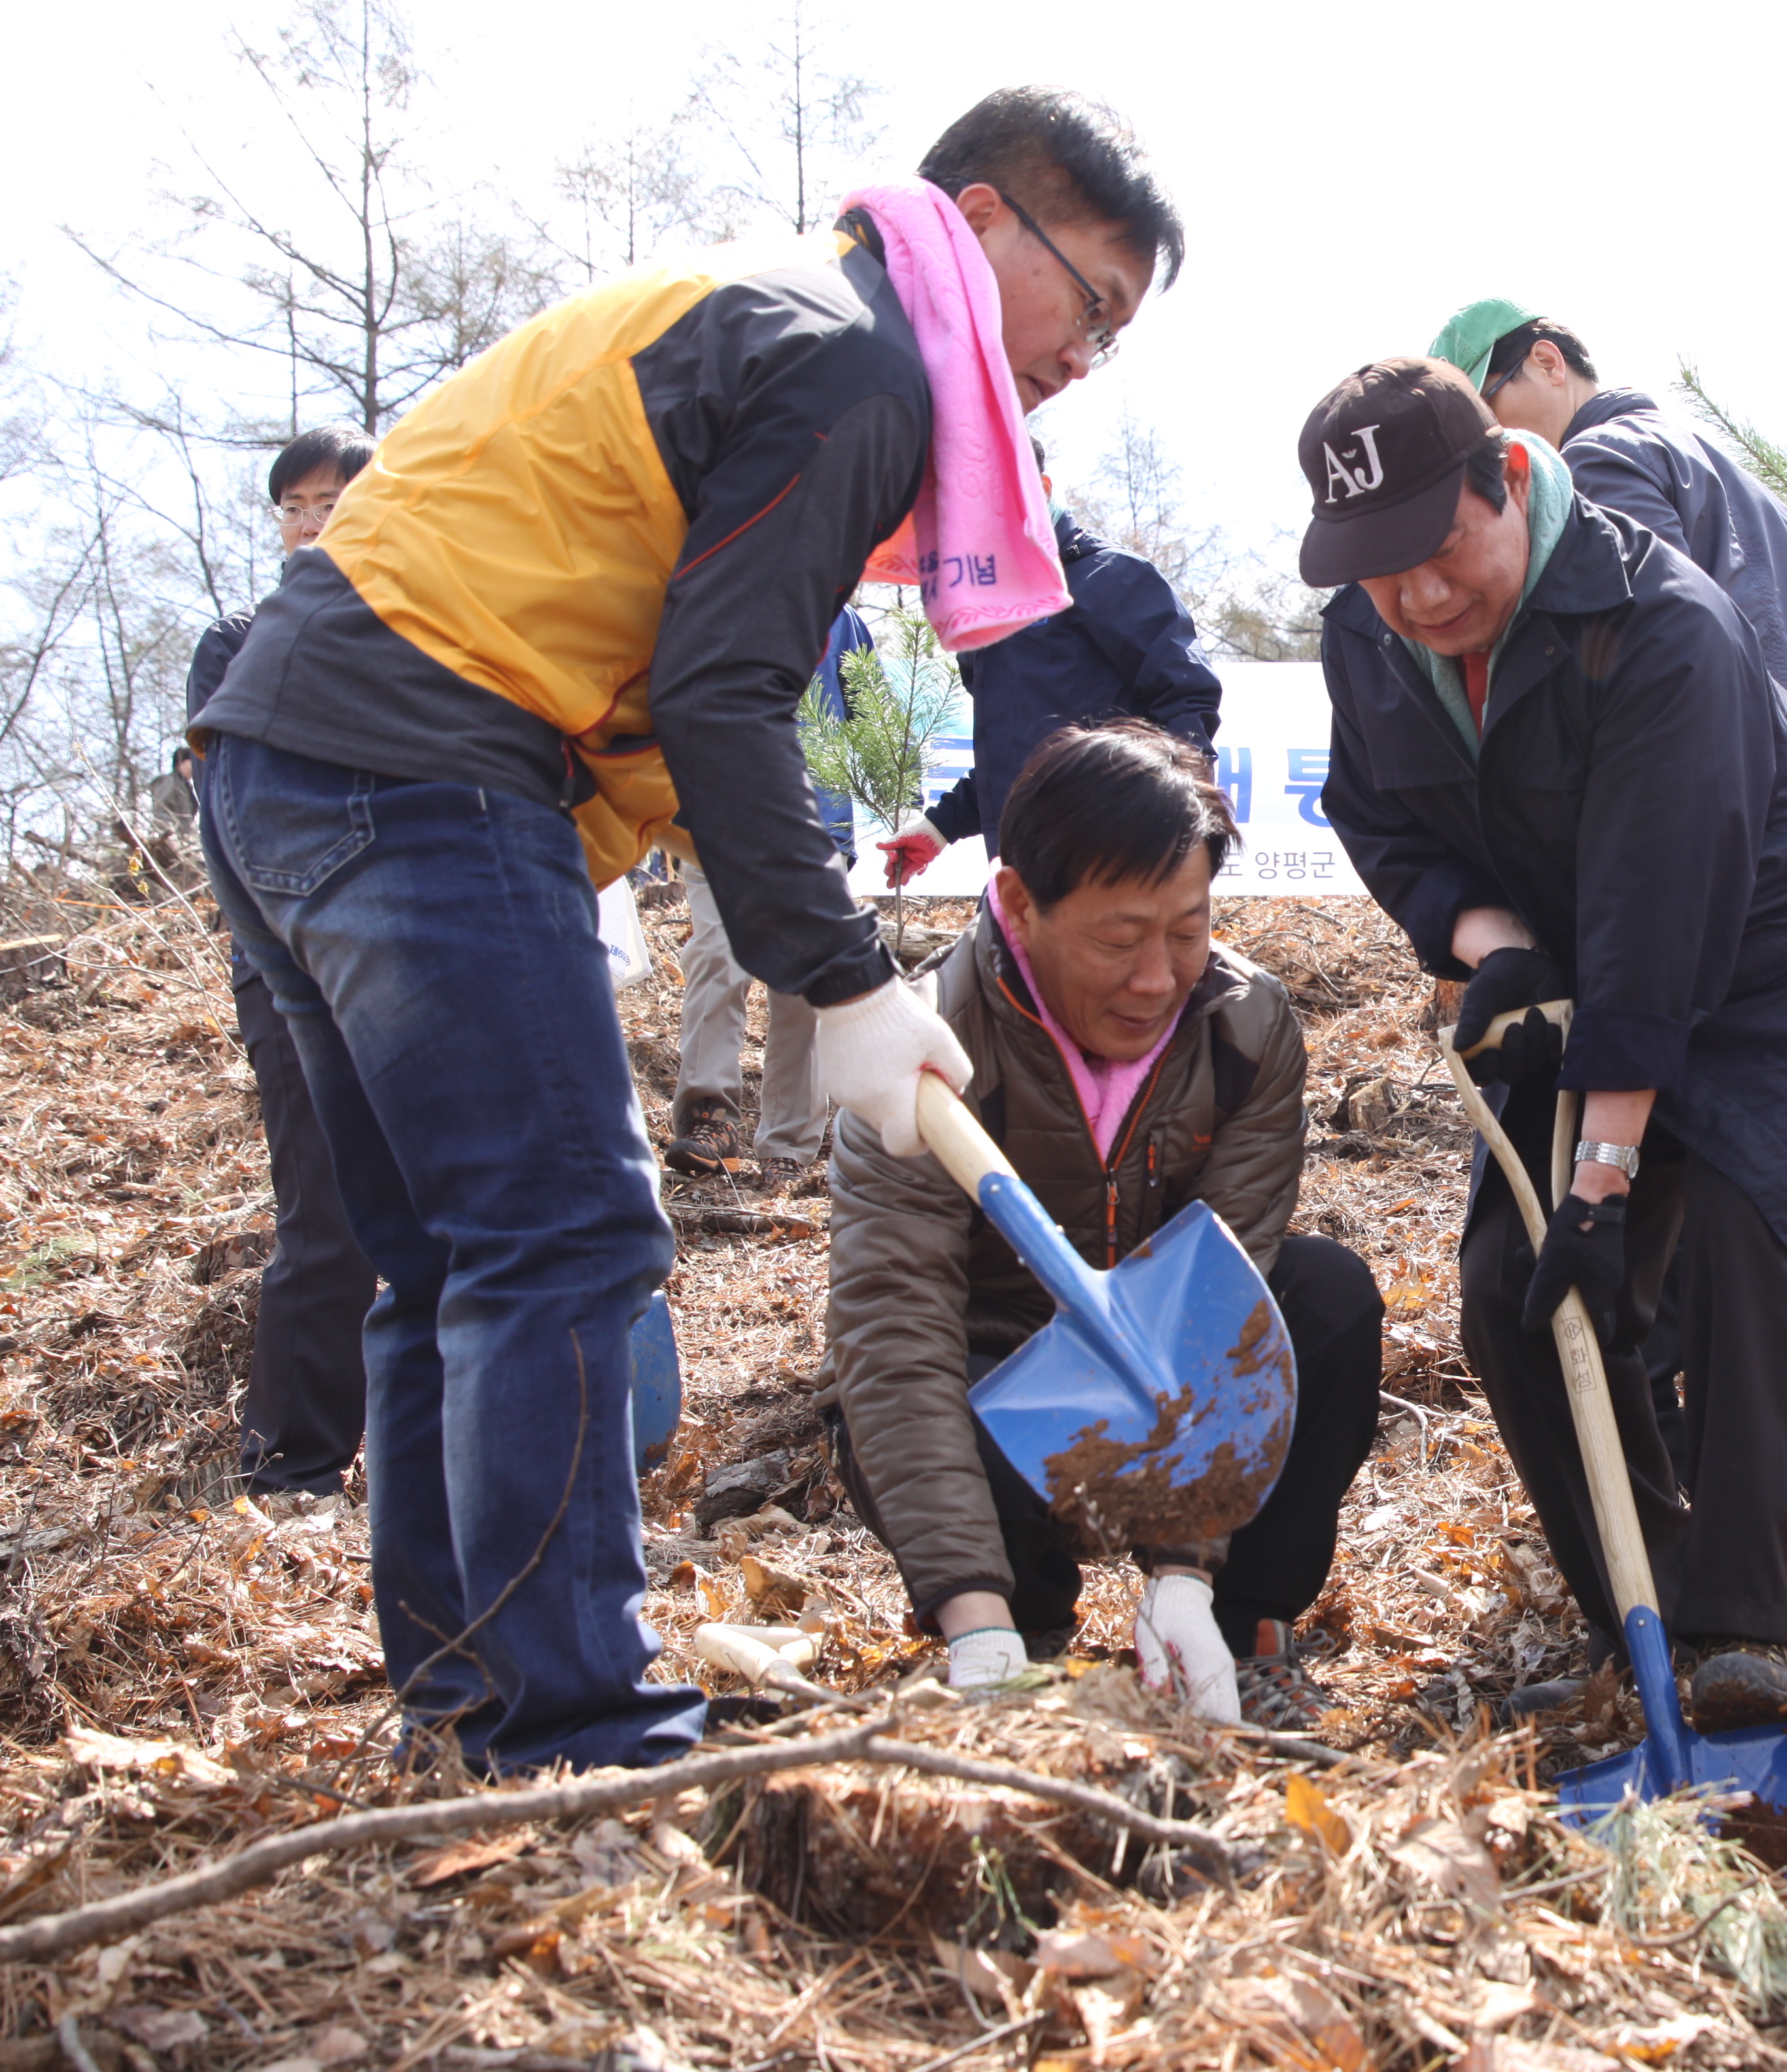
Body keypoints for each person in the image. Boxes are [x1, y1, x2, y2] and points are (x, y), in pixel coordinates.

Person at [188, 87, 1185, 1774]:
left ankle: (470, 1692)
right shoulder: (856, 355)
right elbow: (726, 694)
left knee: (446, 1259)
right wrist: (843, 978)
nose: (1084, 359)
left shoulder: (772, 307)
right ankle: (582, 1723)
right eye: (1089, 301)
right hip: (427, 754)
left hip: (291, 756)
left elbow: (683, 669)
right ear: (984, 218)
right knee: (564, 1242)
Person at [1298, 357, 1787, 1751]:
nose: (1413, 598)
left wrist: (1601, 1183)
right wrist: (1489, 938)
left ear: (1508, 477)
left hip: (1779, 973)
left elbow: (1665, 928)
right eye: (1374, 571)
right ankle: (1644, 1608)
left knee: (1738, 1224)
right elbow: (1380, 820)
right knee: (1517, 1293)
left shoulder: (1660, 627)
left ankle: (1760, 1634)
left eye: (1434, 549)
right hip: (1581, 977)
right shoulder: (1371, 638)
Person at [825, 723, 1378, 1725]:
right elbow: (894, 1332)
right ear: (1022, 903)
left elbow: (1223, 1303)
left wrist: (1186, 1573)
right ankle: (1015, 1628)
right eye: (1120, 941)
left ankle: (1249, 1632)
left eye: (1188, 929)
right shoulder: (917, 1055)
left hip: (1164, 1349)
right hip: (1007, 1364)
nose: (1158, 978)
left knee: (1322, 1300)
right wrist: (972, 1614)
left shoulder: (1245, 1031)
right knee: (903, 1386)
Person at [1426, 303, 1787, 1487]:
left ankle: (1669, 1466)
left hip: (1683, 867)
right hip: (1775, 860)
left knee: (1621, 1209)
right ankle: (1776, 1448)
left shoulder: (1601, 470)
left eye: (1484, 414)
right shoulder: (1721, 460)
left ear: (1547, 365)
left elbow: (1626, 716)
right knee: (1748, 1199)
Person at [186, 424, 383, 1498]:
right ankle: (292, 1465)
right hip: (290, 959)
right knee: (327, 1205)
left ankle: (422, 1449)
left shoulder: (423, 629)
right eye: (293, 506)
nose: (309, 523)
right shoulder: (237, 639)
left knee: (447, 1202)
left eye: (330, 501)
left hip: (415, 959)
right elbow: (227, 799)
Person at [1426, 303, 1787, 754]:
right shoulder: (1743, 483)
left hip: (1727, 792)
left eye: (1484, 411)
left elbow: (1660, 657)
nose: (1488, 445)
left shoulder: (1600, 459)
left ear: (1548, 363)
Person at [876, 438, 1224, 888]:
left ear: (1041, 487)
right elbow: (1013, 751)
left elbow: (1187, 700)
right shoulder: (986, 609)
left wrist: (1177, 827)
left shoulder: (1112, 578)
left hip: (1116, 861)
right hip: (1023, 868)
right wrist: (941, 826)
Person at [667, 608, 876, 1183]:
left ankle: (788, 1142)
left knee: (799, 983)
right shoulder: (707, 587)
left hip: (814, 821)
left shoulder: (845, 621)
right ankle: (711, 1121)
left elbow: (870, 717)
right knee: (716, 958)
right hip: (709, 817)